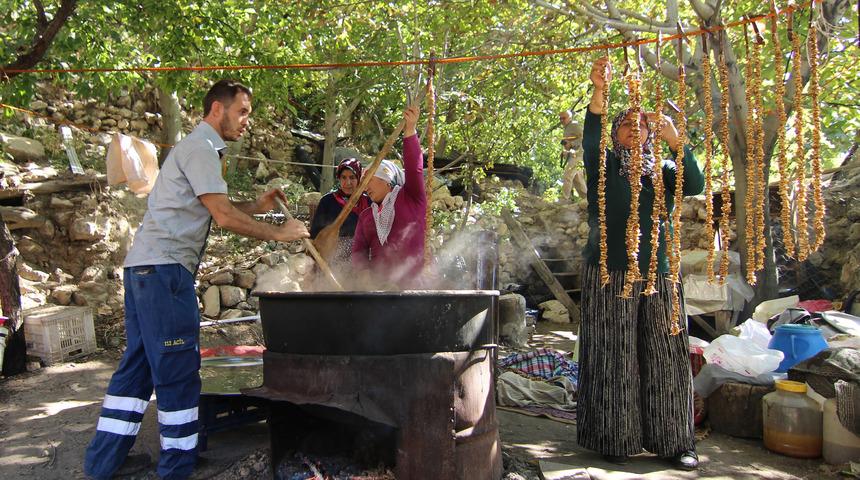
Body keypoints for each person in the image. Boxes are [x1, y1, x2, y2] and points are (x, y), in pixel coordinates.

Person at [84, 79, 309, 480]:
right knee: (177, 370)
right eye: (242, 112)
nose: (247, 121)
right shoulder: (203, 148)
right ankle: (177, 467)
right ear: (217, 109)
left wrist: (257, 206)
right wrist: (279, 233)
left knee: (137, 368)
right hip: (166, 272)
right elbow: (222, 216)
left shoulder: (194, 148)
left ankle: (103, 463)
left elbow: (214, 206)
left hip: (144, 269)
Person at [576, 57, 705, 470]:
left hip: (659, 273)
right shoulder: (605, 165)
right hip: (609, 270)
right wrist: (599, 90)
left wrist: (675, 139)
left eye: (643, 125)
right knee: (613, 353)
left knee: (667, 353)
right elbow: (591, 138)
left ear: (651, 133)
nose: (635, 130)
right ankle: (614, 436)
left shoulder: (664, 170)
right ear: (616, 134)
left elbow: (695, 183)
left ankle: (676, 442)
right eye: (626, 125)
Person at [352, 105, 426, 287]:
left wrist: (410, 129)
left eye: (369, 180)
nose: (365, 187)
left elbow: (414, 169)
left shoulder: (411, 197)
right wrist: (363, 272)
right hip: (380, 290)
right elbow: (358, 251)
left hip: (414, 286)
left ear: (386, 179)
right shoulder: (366, 216)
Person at [309, 158, 371, 267]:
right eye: (343, 177)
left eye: (352, 177)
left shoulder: (369, 201)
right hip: (332, 258)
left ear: (359, 178)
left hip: (363, 258)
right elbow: (315, 234)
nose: (348, 182)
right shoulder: (328, 201)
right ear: (339, 178)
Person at [559, 109, 587, 200]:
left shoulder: (574, 125)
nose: (562, 120)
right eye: (560, 118)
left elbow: (584, 138)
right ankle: (588, 200)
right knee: (578, 180)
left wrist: (571, 144)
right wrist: (565, 151)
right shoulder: (567, 128)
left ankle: (564, 199)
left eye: (564, 118)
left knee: (568, 175)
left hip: (579, 155)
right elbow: (569, 143)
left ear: (570, 117)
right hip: (574, 155)